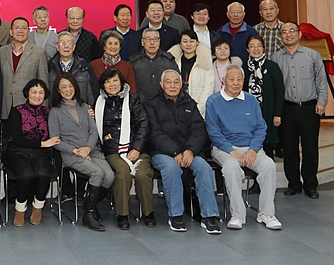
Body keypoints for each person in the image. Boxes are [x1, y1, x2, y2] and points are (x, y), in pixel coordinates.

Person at [144, 70, 220, 234]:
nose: (172, 86)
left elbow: (199, 130)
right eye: (168, 82)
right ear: (161, 84)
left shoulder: (189, 103)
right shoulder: (151, 104)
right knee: (171, 168)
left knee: (204, 167)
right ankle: (176, 215)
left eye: (176, 82)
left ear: (181, 85)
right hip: (162, 152)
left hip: (188, 152)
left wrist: (190, 150)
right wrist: (175, 152)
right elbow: (154, 133)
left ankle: (209, 215)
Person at [206, 65, 281, 230]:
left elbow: (261, 127)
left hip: (250, 147)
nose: (235, 83)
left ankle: (266, 213)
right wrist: (232, 151)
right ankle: (238, 215)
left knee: (269, 165)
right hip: (224, 148)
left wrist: (253, 149)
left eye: (239, 79)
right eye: (231, 79)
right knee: (231, 167)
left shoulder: (251, 100)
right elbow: (213, 132)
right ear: (223, 81)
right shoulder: (213, 101)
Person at [49, 73, 113, 231]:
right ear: (58, 90)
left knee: (110, 176)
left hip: (92, 150)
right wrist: (75, 150)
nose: (68, 90)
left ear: (76, 88)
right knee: (97, 173)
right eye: (63, 87)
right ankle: (88, 215)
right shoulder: (55, 112)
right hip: (72, 155)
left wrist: (88, 148)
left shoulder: (85, 107)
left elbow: (94, 131)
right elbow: (56, 140)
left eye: (70, 86)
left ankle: (89, 203)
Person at [272, 21, 328, 199]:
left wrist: (322, 101)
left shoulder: (313, 55)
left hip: (309, 108)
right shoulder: (275, 58)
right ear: (280, 37)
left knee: (310, 149)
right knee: (289, 149)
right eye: (284, 32)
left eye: (292, 31)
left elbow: (321, 80)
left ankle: (310, 185)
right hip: (287, 109)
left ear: (299, 34)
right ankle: (294, 184)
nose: (288, 34)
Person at [94, 68, 154, 230]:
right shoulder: (98, 103)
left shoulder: (134, 100)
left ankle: (148, 213)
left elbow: (144, 125)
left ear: (121, 82)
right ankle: (122, 214)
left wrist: (136, 148)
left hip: (137, 148)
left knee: (143, 174)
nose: (112, 84)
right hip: (112, 150)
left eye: (115, 80)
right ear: (103, 85)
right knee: (122, 172)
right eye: (107, 81)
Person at [4, 79, 59, 226]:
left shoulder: (49, 112)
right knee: (26, 175)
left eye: (41, 92)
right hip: (18, 151)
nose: (37, 95)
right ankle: (20, 209)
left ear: (45, 95)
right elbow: (17, 139)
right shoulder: (17, 111)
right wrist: (43, 143)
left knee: (43, 175)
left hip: (40, 153)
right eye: (34, 92)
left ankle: (38, 207)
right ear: (27, 93)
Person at [243, 35, 285, 159]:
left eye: (259, 46)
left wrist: (277, 114)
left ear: (263, 48)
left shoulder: (272, 66)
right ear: (247, 49)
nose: (256, 49)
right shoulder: (244, 67)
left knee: (267, 144)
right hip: (250, 112)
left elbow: (279, 91)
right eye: (252, 46)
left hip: (268, 112)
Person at [0, 17, 49, 120]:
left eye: (24, 28)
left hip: (30, 110)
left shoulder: (39, 52)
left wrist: (43, 112)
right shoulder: (0, 52)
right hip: (5, 108)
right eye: (17, 28)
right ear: (11, 32)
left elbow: (44, 84)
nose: (20, 31)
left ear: (29, 32)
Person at [167, 29, 214, 117]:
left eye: (191, 41)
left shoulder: (205, 62)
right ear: (180, 44)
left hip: (199, 111)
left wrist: (197, 109)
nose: (188, 44)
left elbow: (209, 88)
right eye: (185, 41)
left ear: (197, 43)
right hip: (176, 110)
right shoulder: (173, 62)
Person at [49, 30, 100, 104]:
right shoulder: (50, 67)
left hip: (80, 109)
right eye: (62, 43)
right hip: (56, 109)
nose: (66, 46)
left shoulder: (84, 67)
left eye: (69, 43)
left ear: (73, 47)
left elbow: (93, 93)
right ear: (57, 47)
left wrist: (92, 107)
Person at [129, 28, 178, 101]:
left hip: (165, 104)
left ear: (159, 42)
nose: (152, 42)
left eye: (155, 39)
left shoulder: (169, 60)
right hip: (140, 104)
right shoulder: (134, 62)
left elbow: (177, 83)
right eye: (148, 39)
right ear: (142, 42)